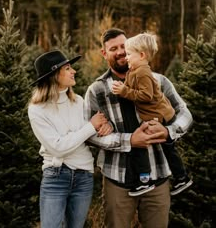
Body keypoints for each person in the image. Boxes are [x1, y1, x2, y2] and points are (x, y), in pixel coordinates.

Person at [84, 28, 193, 228]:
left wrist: (169, 131)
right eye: (113, 48)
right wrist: (128, 141)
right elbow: (89, 135)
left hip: (157, 177)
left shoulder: (159, 81)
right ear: (104, 53)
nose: (121, 52)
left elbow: (184, 113)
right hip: (118, 180)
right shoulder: (97, 90)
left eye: (124, 46)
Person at [28, 50, 112, 228]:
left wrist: (103, 127)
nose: (74, 71)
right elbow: (57, 148)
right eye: (67, 68)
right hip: (56, 177)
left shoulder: (79, 101)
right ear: (54, 75)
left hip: (83, 177)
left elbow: (89, 136)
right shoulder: (37, 110)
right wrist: (90, 126)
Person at [112, 32, 193, 196]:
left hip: (161, 116)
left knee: (150, 145)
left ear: (141, 55)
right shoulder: (134, 71)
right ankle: (174, 178)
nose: (125, 57)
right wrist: (121, 89)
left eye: (128, 54)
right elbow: (128, 88)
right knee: (153, 145)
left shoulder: (143, 73)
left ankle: (154, 180)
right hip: (155, 115)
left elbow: (146, 95)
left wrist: (124, 91)